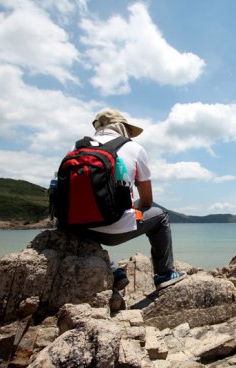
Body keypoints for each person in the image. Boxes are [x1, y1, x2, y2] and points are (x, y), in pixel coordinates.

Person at [65, 108, 185, 290]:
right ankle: (164, 274)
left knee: (85, 215)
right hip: (115, 230)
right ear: (121, 127)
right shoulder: (134, 149)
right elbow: (146, 201)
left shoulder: (76, 148)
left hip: (76, 228)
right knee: (161, 216)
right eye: (128, 130)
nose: (130, 135)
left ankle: (113, 269)